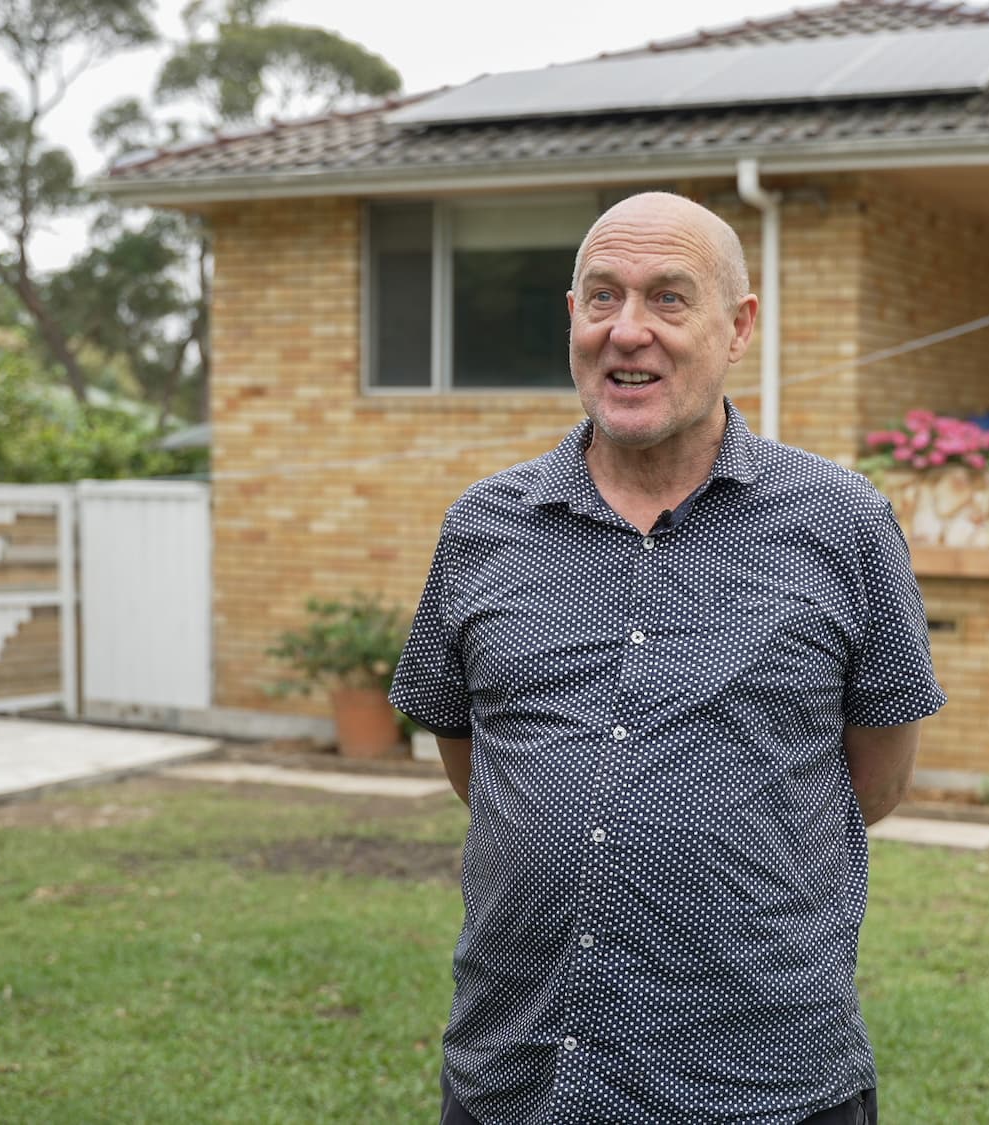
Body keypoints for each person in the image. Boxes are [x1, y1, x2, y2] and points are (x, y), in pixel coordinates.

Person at [389, 192, 945, 1125]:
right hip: (520, 1081)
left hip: (764, 1084)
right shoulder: (483, 527)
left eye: (669, 299)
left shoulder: (843, 523)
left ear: (739, 327)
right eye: (603, 298)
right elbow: (476, 764)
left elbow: (876, 778)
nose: (628, 331)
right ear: (573, 318)